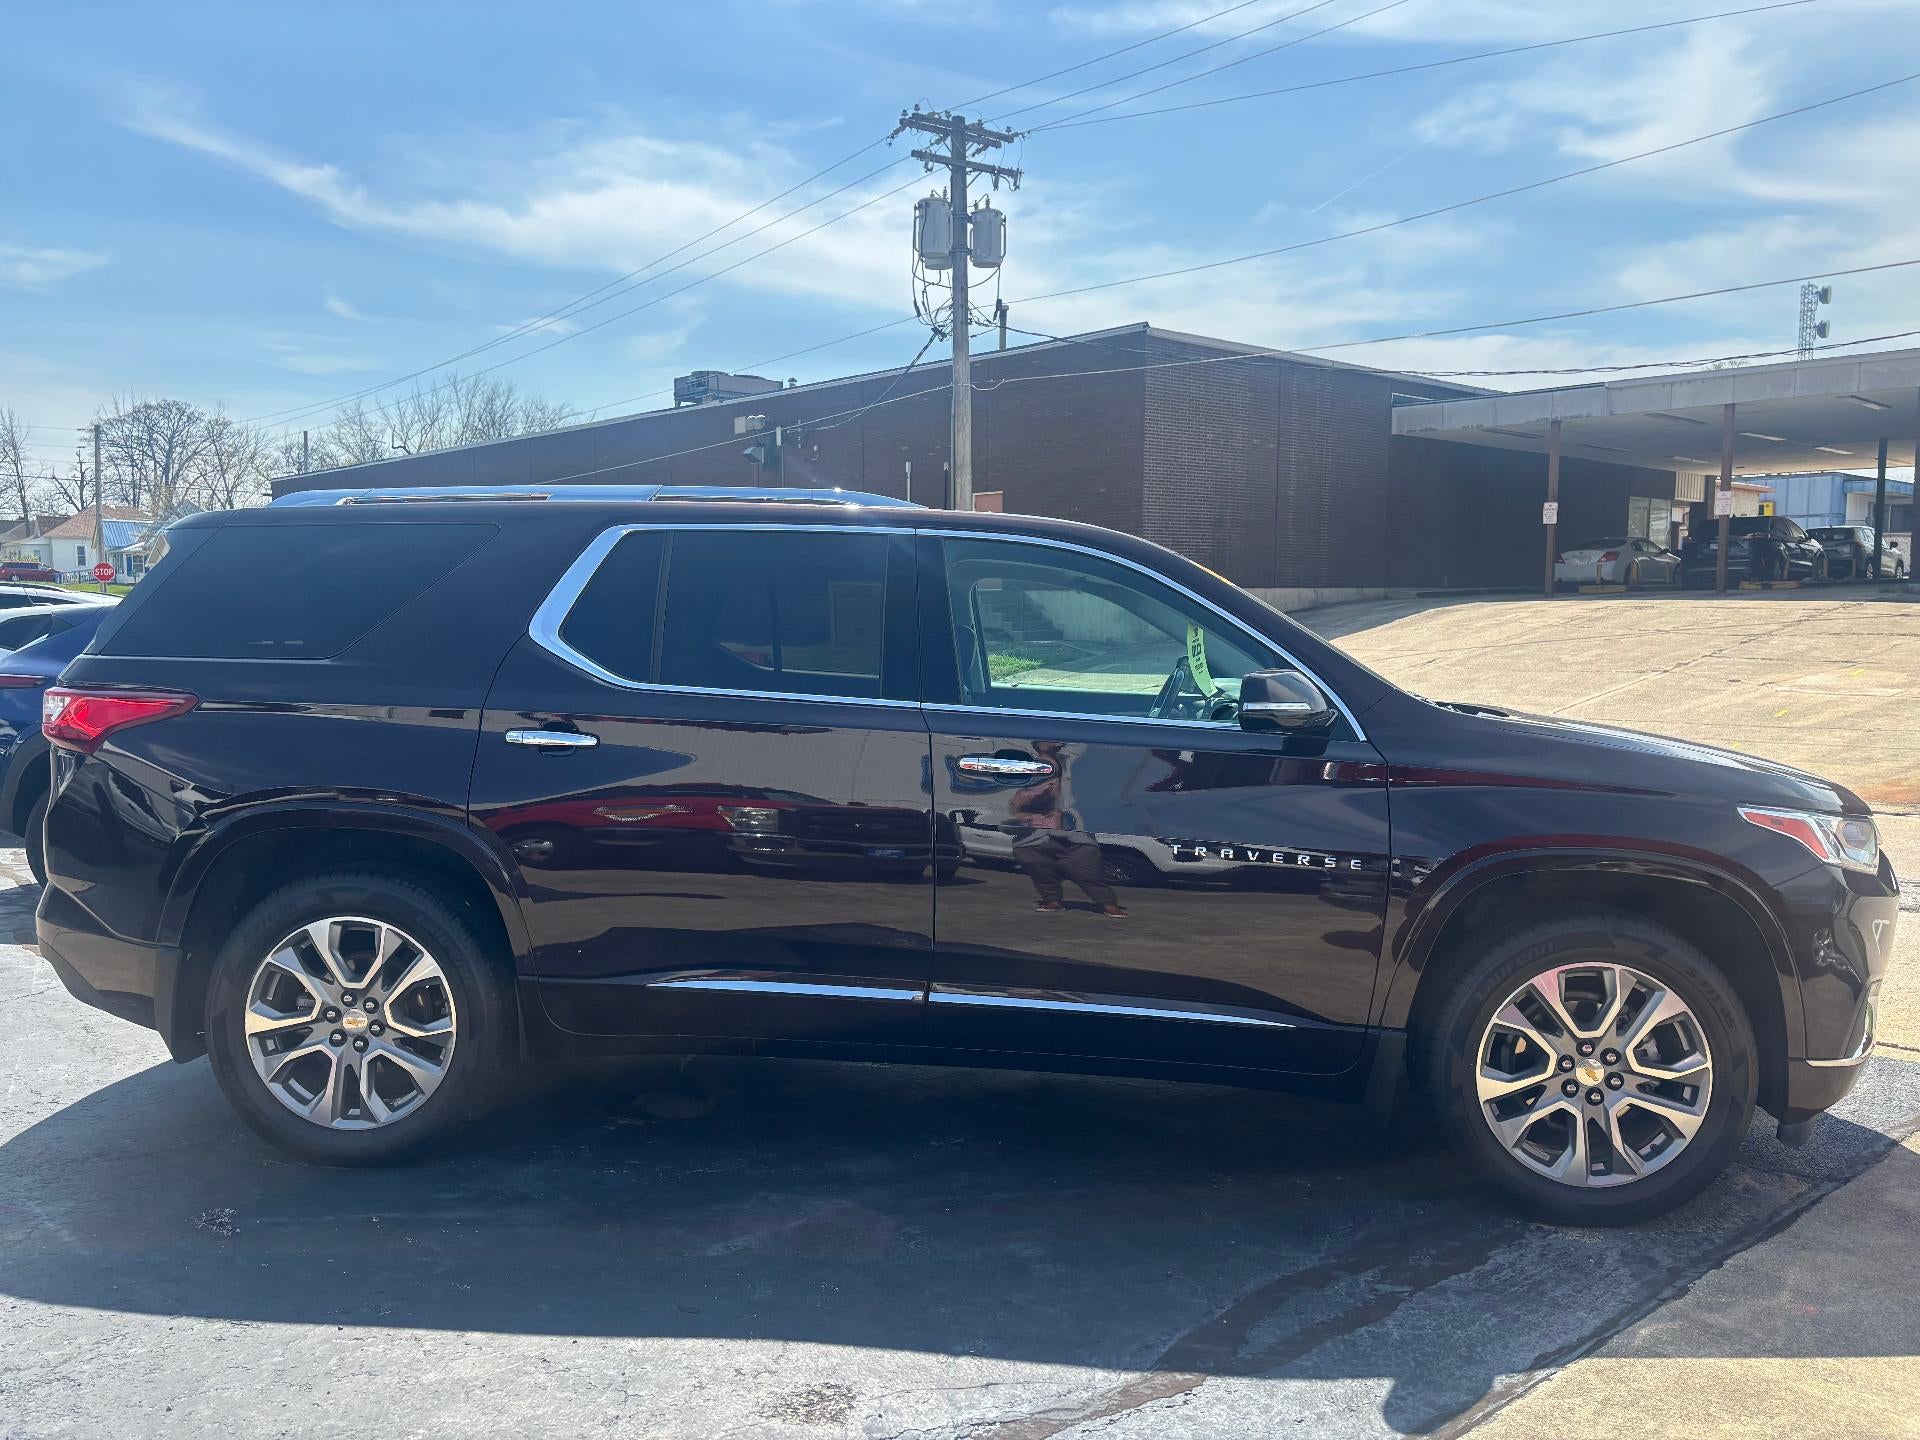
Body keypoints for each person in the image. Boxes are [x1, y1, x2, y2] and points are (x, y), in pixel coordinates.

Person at [1008, 742, 1127, 917]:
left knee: (1087, 870)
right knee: (1039, 870)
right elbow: (1015, 802)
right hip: (1033, 835)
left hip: (1073, 834)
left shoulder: (1075, 763)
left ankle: (1108, 904)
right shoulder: (1029, 767)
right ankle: (1052, 901)